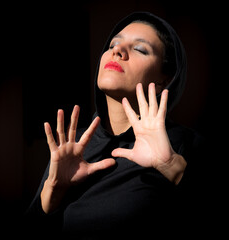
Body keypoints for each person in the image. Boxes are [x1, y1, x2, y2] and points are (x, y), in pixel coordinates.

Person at [24, 12, 210, 238]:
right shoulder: (72, 147)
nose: (117, 51)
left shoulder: (184, 145)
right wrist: (52, 190)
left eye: (140, 49)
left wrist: (171, 165)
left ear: (165, 80)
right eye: (114, 44)